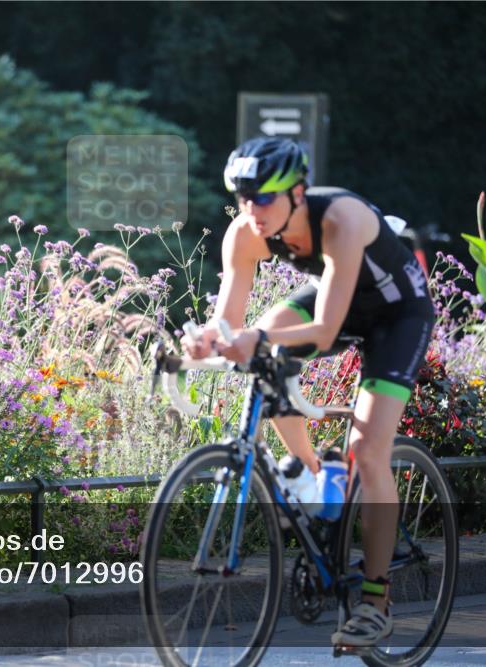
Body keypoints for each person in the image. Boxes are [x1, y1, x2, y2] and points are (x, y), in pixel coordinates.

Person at [181, 137, 435, 648]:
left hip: (397, 313)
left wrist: (255, 337)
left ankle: (375, 603)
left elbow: (324, 330)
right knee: (265, 354)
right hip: (336, 299)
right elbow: (229, 324)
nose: (252, 210)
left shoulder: (341, 218)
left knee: (368, 449)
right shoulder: (245, 233)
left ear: (297, 193)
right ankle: (316, 477)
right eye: (243, 198)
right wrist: (206, 340)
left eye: (264, 198)